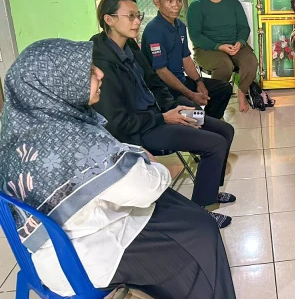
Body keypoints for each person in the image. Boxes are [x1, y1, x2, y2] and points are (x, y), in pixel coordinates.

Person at [0, 39, 235, 298]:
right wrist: (151, 162)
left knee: (186, 213)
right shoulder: (71, 140)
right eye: (89, 71)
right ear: (58, 83)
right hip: (85, 257)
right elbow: (144, 188)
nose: (100, 74)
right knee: (197, 243)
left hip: (56, 247)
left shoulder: (21, 131)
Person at [91, 0, 236, 228]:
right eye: (130, 16)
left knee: (224, 130)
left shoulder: (129, 46)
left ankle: (210, 190)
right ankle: (202, 212)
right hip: (141, 129)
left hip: (160, 115)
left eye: (138, 15)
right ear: (109, 20)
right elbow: (117, 123)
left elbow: (154, 82)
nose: (137, 22)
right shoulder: (102, 62)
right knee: (214, 144)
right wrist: (163, 117)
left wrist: (173, 106)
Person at [141, 0, 233, 120]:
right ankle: (203, 123)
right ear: (157, 3)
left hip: (182, 81)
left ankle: (210, 123)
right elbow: (162, 71)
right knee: (196, 114)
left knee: (224, 88)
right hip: (165, 89)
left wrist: (199, 82)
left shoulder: (180, 25)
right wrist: (191, 94)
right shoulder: (154, 31)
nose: (176, 5)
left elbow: (186, 59)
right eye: (170, 1)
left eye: (179, 1)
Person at [187, 0, 258, 113]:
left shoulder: (233, 3)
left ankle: (241, 92)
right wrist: (218, 46)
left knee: (251, 61)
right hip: (207, 49)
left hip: (234, 45)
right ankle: (215, 106)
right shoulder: (196, 6)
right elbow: (195, 35)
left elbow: (244, 27)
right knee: (225, 65)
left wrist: (240, 42)